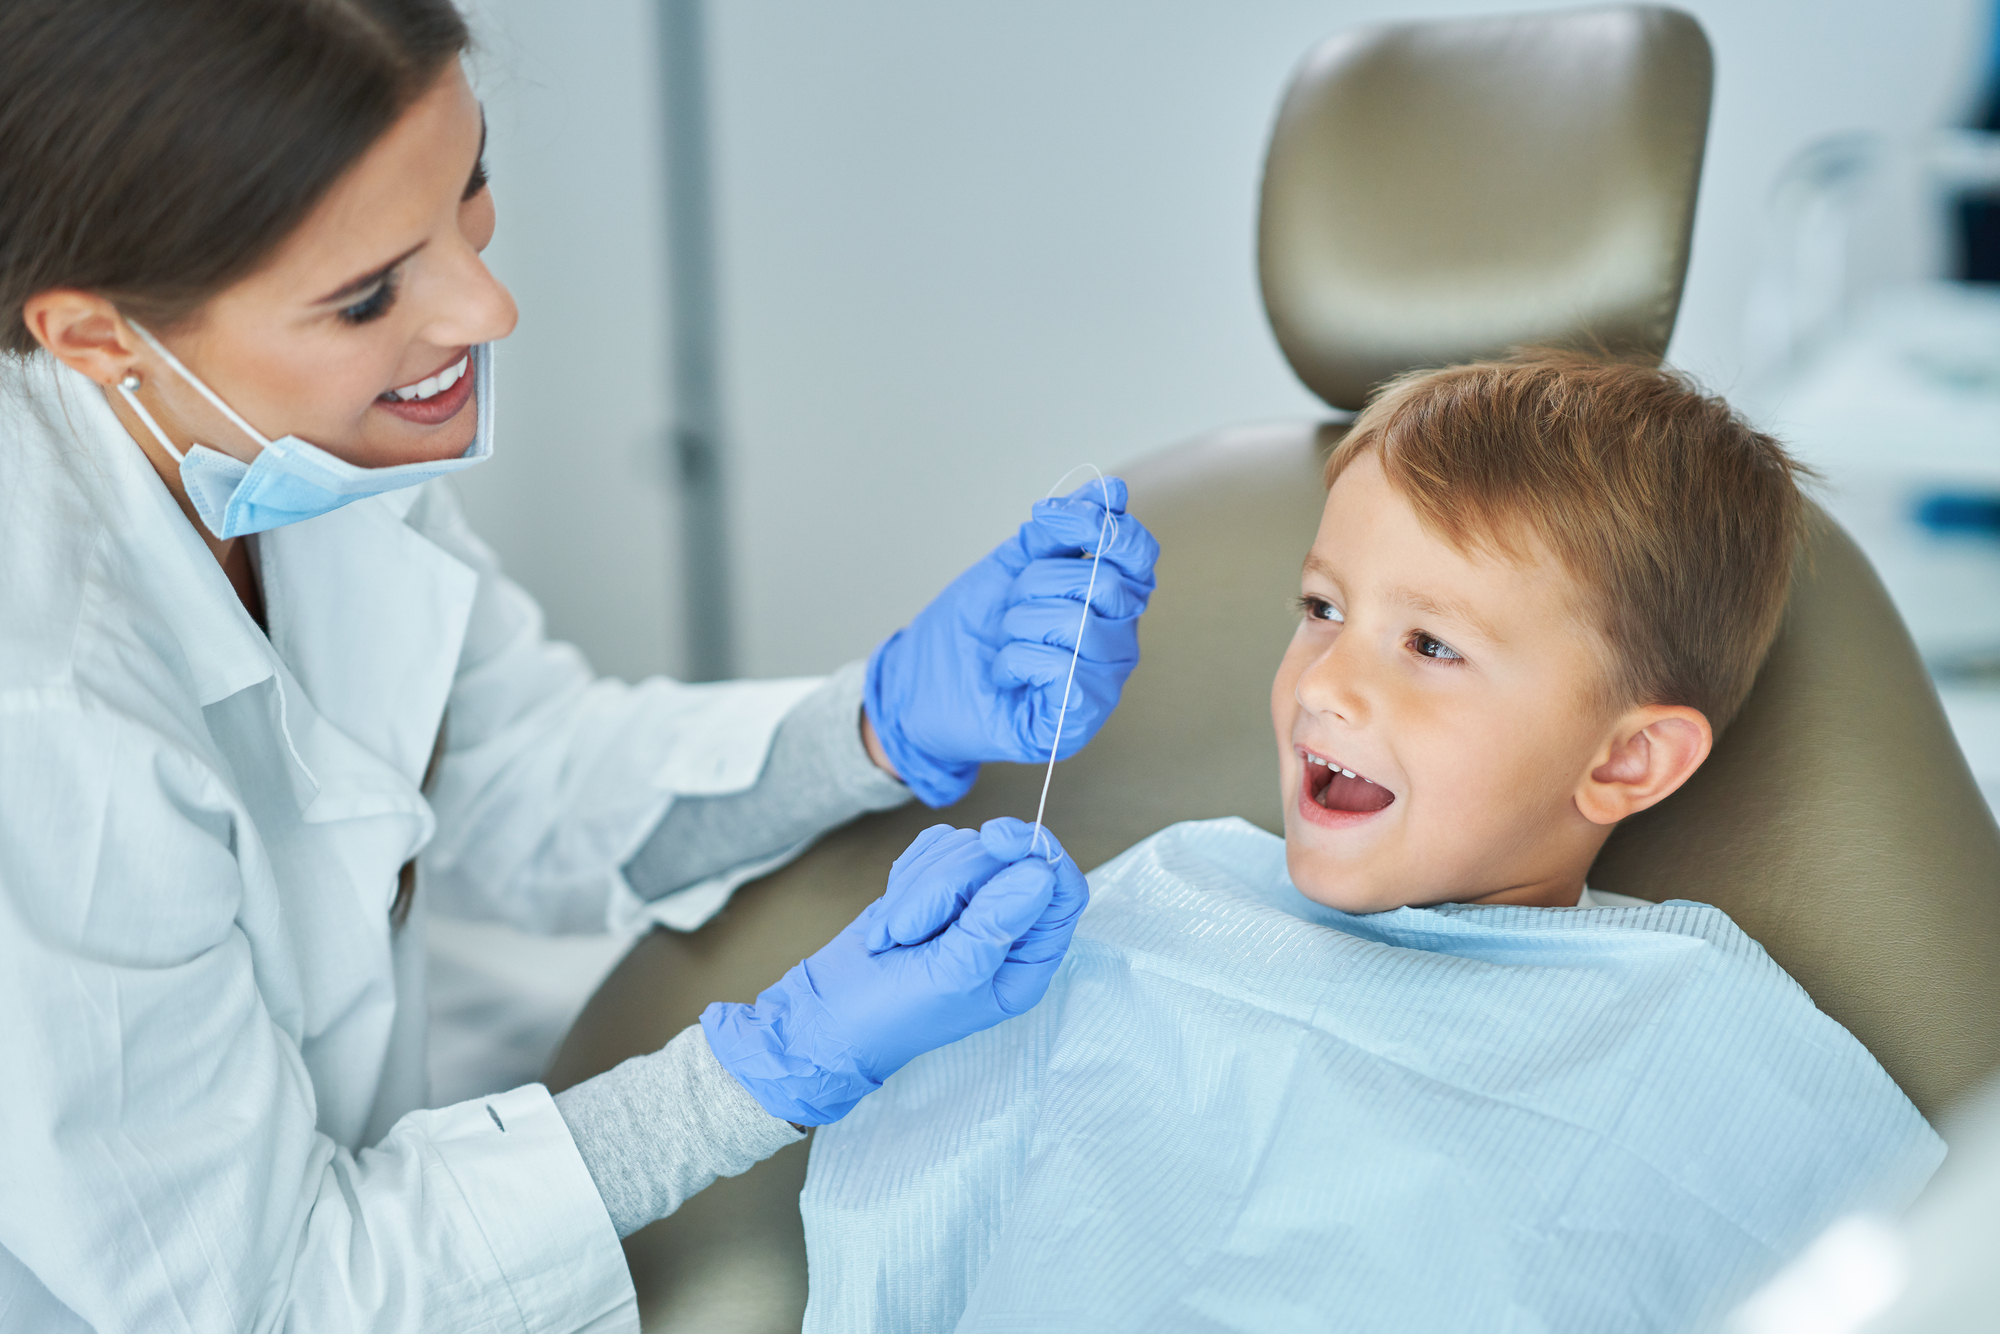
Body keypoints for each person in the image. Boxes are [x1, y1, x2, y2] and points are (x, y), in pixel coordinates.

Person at [0, 2, 1158, 1330]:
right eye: (369, 292)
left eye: (471, 181)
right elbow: (275, 1294)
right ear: (93, 336)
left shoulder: (258, 438)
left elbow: (504, 770)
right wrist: (756, 1079)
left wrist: (876, 724)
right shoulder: (41, 718)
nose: (486, 305)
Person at [798, 352, 1944, 1332]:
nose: (1324, 684)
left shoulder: (1705, 1041)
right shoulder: (1166, 897)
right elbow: (919, 1224)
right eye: (1319, 609)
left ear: (1622, 761)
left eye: (1430, 645)